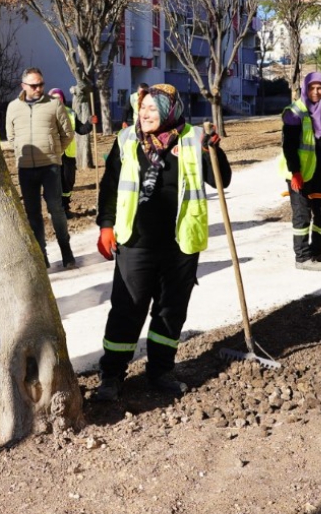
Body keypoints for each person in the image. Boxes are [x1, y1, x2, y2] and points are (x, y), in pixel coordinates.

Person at [93, 83, 231, 401]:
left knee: (170, 310)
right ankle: (111, 375)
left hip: (180, 241)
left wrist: (213, 150)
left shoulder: (193, 138)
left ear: (170, 111)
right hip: (135, 241)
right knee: (127, 308)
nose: (145, 115)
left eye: (152, 109)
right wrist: (106, 226)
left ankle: (160, 371)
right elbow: (111, 184)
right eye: (142, 109)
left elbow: (221, 179)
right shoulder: (127, 139)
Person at [7, 67, 76, 268]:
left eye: (41, 84)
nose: (38, 89)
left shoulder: (54, 104)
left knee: (56, 209)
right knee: (33, 213)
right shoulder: (13, 107)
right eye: (34, 85)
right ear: (23, 86)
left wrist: (55, 152)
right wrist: (21, 150)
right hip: (26, 168)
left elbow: (68, 133)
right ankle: (42, 256)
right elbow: (11, 137)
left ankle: (66, 250)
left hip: (50, 167)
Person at [279, 72, 321, 271]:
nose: (316, 92)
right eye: (312, 88)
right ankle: (302, 258)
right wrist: (295, 172)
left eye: (320, 88)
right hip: (300, 175)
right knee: (302, 215)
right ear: (305, 89)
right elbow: (288, 146)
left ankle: (318, 251)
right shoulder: (294, 112)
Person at [48, 88, 92, 215]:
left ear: (63, 99)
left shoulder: (71, 113)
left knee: (68, 181)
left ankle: (65, 207)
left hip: (69, 154)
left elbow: (81, 130)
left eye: (59, 98)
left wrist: (89, 122)